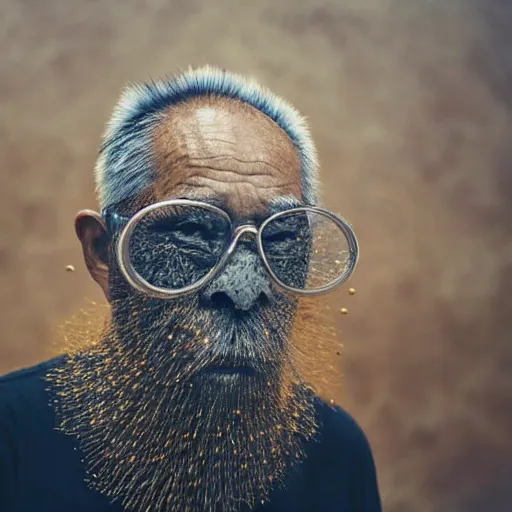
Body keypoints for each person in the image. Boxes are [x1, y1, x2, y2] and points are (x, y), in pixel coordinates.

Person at [0, 66, 381, 512]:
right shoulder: (10, 439)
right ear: (104, 253)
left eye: (278, 239)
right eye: (192, 232)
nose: (243, 289)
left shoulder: (335, 453)